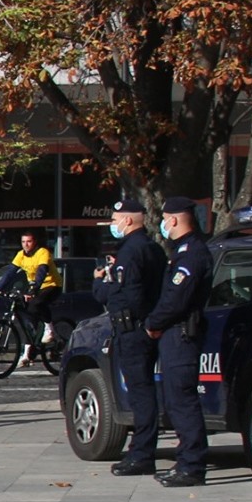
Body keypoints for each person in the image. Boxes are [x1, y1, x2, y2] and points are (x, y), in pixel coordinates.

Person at [94, 198, 167, 477]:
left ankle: (142, 454)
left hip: (133, 329)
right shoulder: (152, 248)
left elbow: (129, 293)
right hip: (139, 327)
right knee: (142, 391)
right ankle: (141, 450)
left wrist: (99, 281)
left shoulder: (131, 251)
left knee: (140, 393)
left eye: (115, 220)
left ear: (127, 220)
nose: (113, 225)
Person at [143, 198, 212, 488]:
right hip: (175, 334)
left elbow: (176, 299)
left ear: (173, 220)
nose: (163, 224)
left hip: (181, 334)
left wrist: (153, 322)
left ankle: (192, 465)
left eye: (164, 219)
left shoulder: (192, 253)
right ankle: (185, 461)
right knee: (175, 401)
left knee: (183, 401)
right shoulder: (182, 251)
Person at [10, 231, 63, 349]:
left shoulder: (42, 252)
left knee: (37, 303)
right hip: (35, 287)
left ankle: (49, 329)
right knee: (29, 314)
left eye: (29, 241)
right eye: (23, 242)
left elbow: (41, 271)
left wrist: (33, 290)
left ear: (35, 242)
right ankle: (28, 351)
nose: (26, 244)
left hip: (52, 285)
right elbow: (10, 273)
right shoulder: (20, 255)